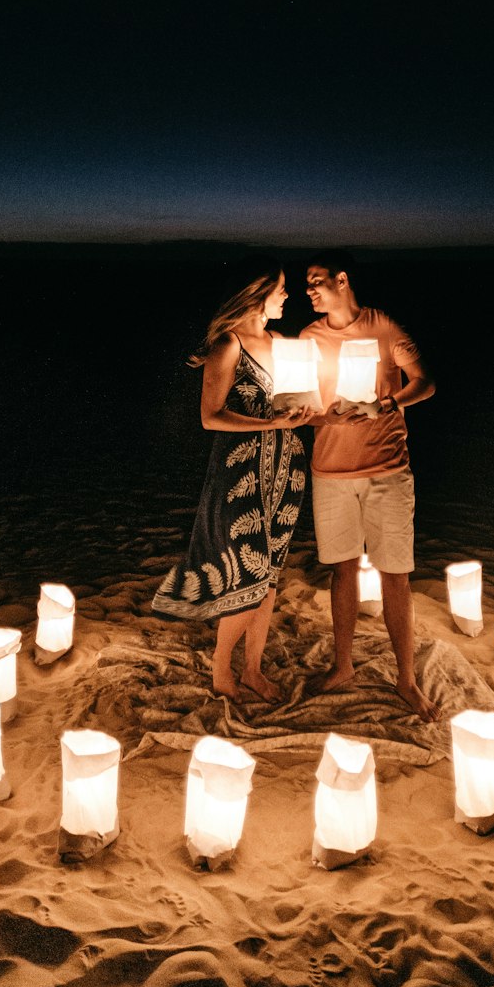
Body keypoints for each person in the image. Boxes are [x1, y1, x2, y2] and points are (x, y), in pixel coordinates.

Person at [151, 260, 314, 701]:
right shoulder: (229, 346)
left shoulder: (283, 343)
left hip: (287, 469)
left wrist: (314, 411)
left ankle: (253, 671)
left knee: (271, 575)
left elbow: (297, 405)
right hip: (240, 472)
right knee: (251, 567)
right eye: (281, 289)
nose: (287, 297)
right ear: (257, 292)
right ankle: (222, 671)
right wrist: (271, 424)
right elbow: (210, 417)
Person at [301, 250, 440, 721]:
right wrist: (318, 412)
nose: (310, 290)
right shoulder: (308, 337)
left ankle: (406, 679)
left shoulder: (384, 327)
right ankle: (343, 666)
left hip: (387, 471)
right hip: (330, 472)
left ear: (342, 280)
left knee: (394, 576)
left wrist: (383, 406)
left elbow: (426, 383)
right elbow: (304, 403)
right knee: (342, 572)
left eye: (317, 281)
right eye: (306, 285)